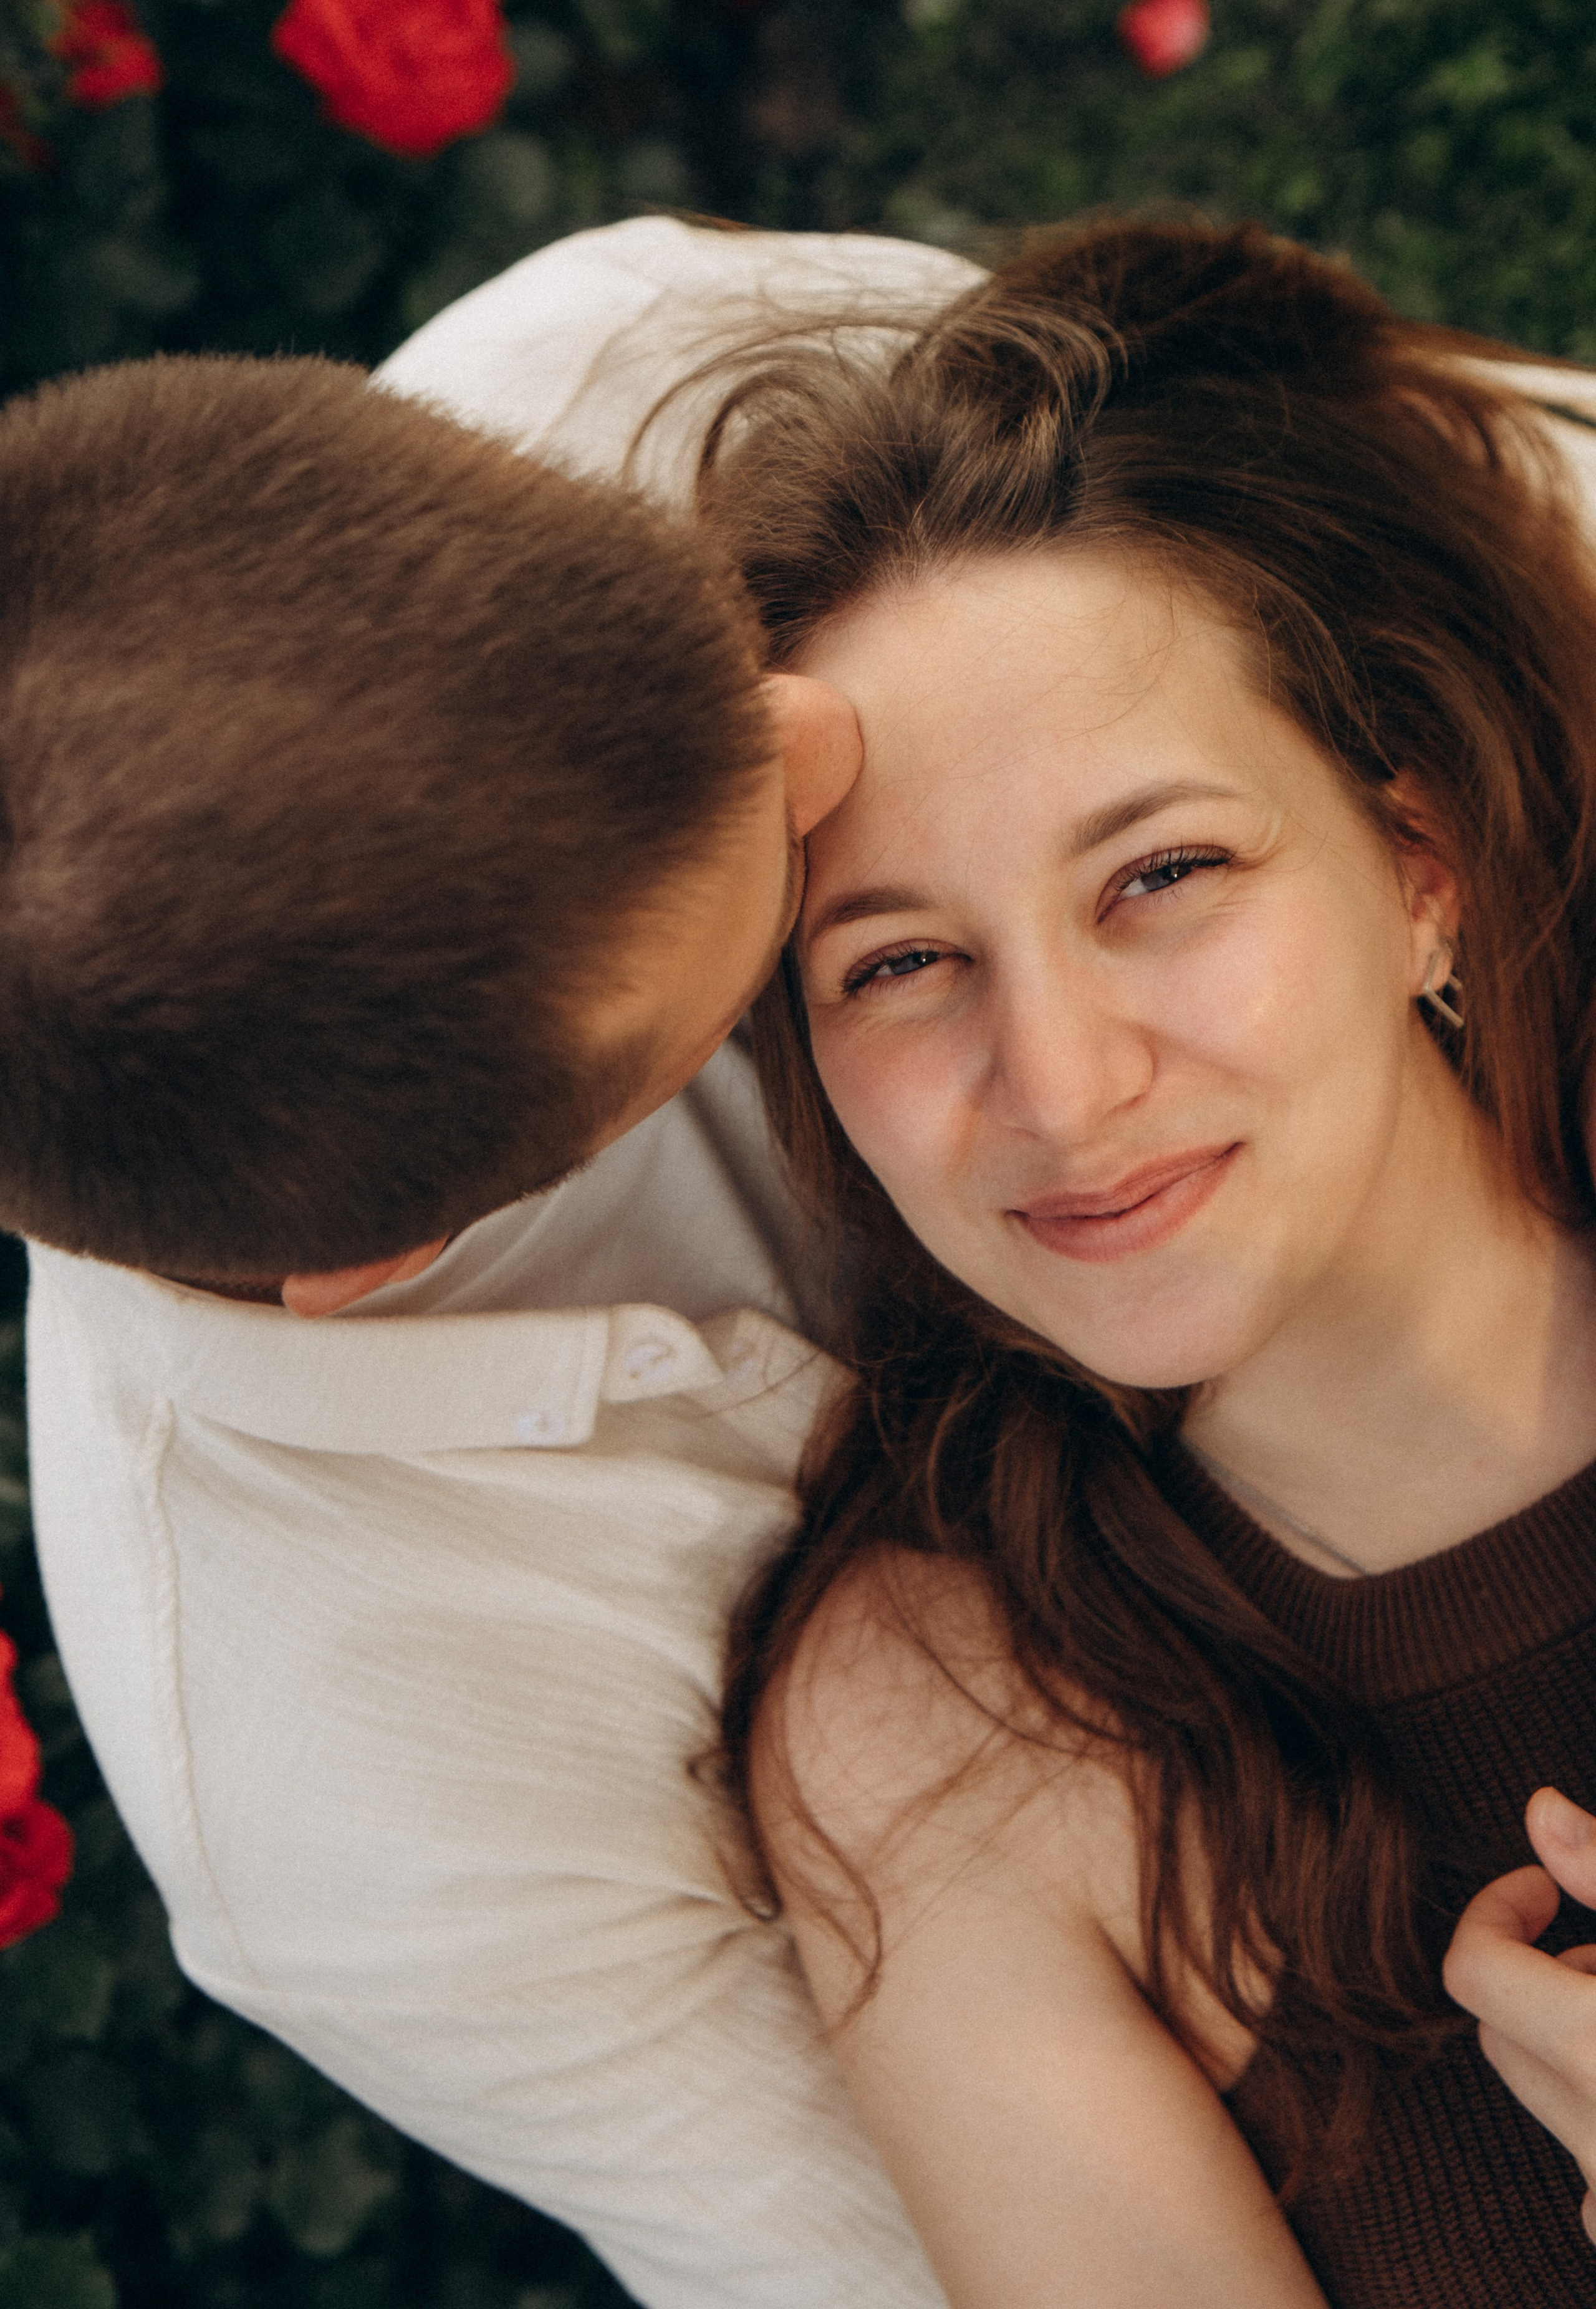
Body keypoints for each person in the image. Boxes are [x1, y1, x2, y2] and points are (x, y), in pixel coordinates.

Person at [14, 217, 979, 2309]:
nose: (830, 734)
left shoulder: (627, 351)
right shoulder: (370, 1819)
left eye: (728, 650)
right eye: (768, 903)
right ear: (384, 1258)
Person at [694, 218, 1596, 2306]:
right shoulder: (958, 1740)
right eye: (900, 962)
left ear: (1418, 868)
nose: (1061, 1081)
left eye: (1164, 873)